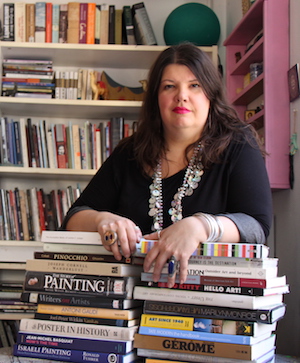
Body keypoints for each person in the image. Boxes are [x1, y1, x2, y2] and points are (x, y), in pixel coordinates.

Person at [61, 42, 272, 288]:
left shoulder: (238, 144)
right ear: (156, 99)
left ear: (211, 95)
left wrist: (201, 226)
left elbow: (257, 227)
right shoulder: (129, 153)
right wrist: (102, 221)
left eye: (194, 85)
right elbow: (72, 220)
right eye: (169, 86)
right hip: (130, 303)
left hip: (209, 297)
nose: (181, 95)